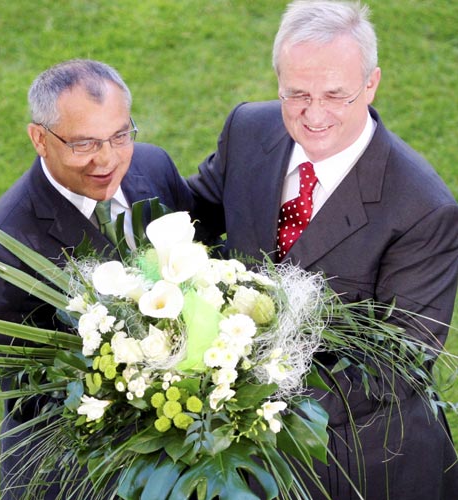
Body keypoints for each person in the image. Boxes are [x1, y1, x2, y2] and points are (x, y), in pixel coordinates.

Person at [188, 1, 458, 499]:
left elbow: (395, 366)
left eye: (335, 94)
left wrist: (243, 399)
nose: (314, 115)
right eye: (297, 94)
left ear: (371, 84)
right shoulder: (248, 131)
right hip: (247, 458)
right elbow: (192, 218)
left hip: (361, 462)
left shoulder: (423, 209)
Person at [0, 59, 193, 500]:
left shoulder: (153, 166)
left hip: (177, 457)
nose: (107, 159)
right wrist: (145, 380)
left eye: (120, 135)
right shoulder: (4, 248)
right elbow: (28, 395)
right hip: (77, 475)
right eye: (85, 143)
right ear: (40, 139)